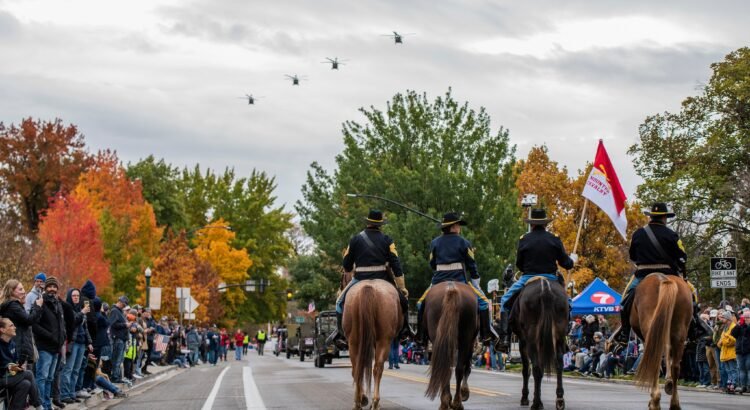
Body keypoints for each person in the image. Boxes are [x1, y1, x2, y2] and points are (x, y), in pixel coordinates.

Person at [608, 202, 711, 353]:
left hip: (643, 274)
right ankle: (696, 328)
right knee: (692, 296)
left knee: (624, 301)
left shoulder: (638, 234)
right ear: (665, 217)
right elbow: (682, 256)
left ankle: (624, 333)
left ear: (650, 217)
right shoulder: (671, 234)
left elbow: (633, 256)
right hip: (669, 272)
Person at [327, 209, 412, 346]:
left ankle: (341, 333)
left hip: (359, 278)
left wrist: (351, 268)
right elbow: (396, 263)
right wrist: (402, 287)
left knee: (339, 303)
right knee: (403, 302)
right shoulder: (387, 240)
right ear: (380, 224)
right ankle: (404, 331)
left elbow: (346, 264)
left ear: (368, 223)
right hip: (383, 278)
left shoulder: (355, 240)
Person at [496, 208, 576, 352]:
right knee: (568, 303)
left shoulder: (524, 239)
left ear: (532, 224)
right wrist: (572, 260)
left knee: (504, 301)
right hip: (551, 277)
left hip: (528, 277)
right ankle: (563, 337)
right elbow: (566, 263)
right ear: (545, 224)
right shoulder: (554, 239)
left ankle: (505, 338)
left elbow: (519, 264)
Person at [416, 212, 498, 346]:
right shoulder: (464, 242)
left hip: (438, 280)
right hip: (459, 278)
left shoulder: (434, 243)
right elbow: (471, 264)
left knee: (420, 304)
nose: (459, 227)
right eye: (458, 225)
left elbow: (432, 263)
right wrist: (476, 281)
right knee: (483, 303)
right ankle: (485, 334)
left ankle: (420, 336)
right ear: (453, 227)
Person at [32, 276, 66, 410]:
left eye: (54, 286)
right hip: (45, 347)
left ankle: (47, 405)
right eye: (50, 286)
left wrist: (62, 337)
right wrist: (50, 336)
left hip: (56, 347)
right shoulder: (40, 302)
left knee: (50, 378)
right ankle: (42, 406)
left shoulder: (57, 302)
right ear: (45, 288)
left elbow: (61, 323)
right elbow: (34, 325)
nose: (52, 289)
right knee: (42, 377)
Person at [0, 318, 43, 410]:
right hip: (2, 378)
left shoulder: (12, 344)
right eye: (11, 325)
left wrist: (19, 366)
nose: (15, 327)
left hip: (10, 377)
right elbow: (6, 366)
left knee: (25, 384)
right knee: (29, 374)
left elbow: (14, 362)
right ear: (2, 330)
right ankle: (39, 406)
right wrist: (9, 367)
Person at [0, 279, 43, 369]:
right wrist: (37, 306)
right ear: (12, 291)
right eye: (20, 289)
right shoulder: (13, 305)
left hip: (19, 344)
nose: (23, 291)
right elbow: (28, 320)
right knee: (22, 377)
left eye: (23, 289)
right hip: (18, 345)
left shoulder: (13, 304)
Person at [60, 288, 92, 404]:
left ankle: (72, 393)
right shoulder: (67, 308)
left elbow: (85, 327)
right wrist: (82, 312)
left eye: (78, 296)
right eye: (73, 295)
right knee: (68, 369)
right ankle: (64, 394)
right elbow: (72, 321)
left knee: (76, 370)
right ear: (69, 296)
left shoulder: (80, 309)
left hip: (81, 343)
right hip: (72, 343)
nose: (76, 297)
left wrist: (89, 342)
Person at [108, 296, 129, 384]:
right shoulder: (114, 311)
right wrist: (125, 325)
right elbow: (112, 324)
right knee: (117, 359)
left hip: (122, 338)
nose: (124, 306)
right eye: (123, 304)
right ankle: (115, 377)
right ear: (120, 302)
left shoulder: (119, 311)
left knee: (119, 360)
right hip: (118, 338)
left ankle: (117, 376)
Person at [718, 310, 738, 393]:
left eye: (723, 318)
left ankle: (734, 384)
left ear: (728, 319)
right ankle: (729, 383)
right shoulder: (725, 328)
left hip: (731, 352)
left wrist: (724, 340)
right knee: (728, 370)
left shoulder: (734, 327)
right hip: (724, 352)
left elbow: (733, 341)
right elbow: (720, 341)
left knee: (733, 369)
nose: (722, 320)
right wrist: (720, 342)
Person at [733, 309, 750, 393]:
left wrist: (748, 325)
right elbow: (733, 333)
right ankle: (743, 386)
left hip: (748, 352)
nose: (746, 319)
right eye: (745, 318)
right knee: (742, 369)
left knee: (749, 369)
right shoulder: (740, 326)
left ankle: (749, 386)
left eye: (748, 318)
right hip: (740, 351)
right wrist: (738, 325)